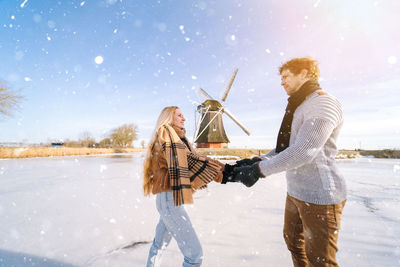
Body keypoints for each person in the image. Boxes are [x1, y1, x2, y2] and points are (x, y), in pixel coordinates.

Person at [234, 57, 347, 266]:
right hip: (296, 192)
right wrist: (258, 160)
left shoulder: (323, 103)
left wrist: (258, 170)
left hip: (320, 196)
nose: (282, 82)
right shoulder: (299, 105)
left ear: (304, 73)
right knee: (294, 242)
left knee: (320, 260)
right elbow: (287, 147)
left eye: (286, 76)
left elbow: (305, 150)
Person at [143, 106, 234, 267]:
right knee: (194, 255)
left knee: (159, 246)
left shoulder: (175, 138)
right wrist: (216, 170)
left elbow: (191, 158)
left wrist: (220, 168)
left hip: (167, 199)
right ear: (168, 118)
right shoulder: (167, 135)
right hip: (169, 200)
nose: (184, 118)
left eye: (183, 115)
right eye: (179, 115)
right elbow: (188, 160)